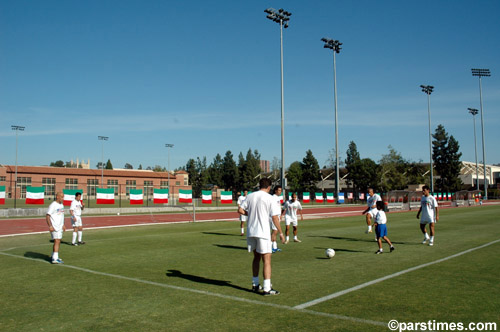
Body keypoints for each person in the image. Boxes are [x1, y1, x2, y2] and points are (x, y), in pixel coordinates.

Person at [238, 178, 284, 296]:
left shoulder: (250, 196)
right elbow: (275, 218)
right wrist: (280, 232)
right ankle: (267, 288)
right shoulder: (270, 198)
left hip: (251, 231)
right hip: (262, 232)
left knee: (256, 257)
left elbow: (240, 210)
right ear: (269, 187)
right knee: (267, 259)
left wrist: (250, 214)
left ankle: (255, 284)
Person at [46, 192, 66, 264]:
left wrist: (63, 224)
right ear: (57, 197)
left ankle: (54, 255)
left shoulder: (61, 205)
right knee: (57, 241)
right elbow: (48, 216)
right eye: (61, 197)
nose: (63, 198)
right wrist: (50, 226)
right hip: (55, 226)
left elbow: (61, 216)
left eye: (63, 197)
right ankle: (55, 258)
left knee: (58, 241)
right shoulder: (53, 205)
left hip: (60, 226)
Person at [270, 186, 283, 253]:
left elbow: (279, 207)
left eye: (280, 190)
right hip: (274, 216)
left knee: (275, 231)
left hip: (277, 215)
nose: (280, 192)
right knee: (274, 231)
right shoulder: (273, 198)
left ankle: (274, 247)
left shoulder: (278, 198)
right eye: (279, 190)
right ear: (275, 190)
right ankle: (269, 247)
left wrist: (280, 215)